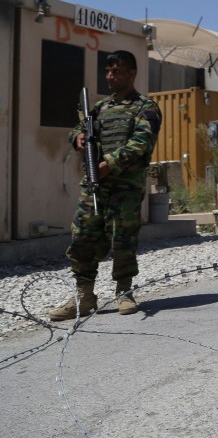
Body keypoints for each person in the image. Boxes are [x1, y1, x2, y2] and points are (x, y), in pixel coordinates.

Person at [48, 50, 162, 321]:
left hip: (124, 187)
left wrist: (108, 163)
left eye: (117, 71)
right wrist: (77, 138)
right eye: (108, 71)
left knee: (123, 239)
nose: (110, 76)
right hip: (94, 186)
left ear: (132, 73)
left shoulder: (145, 107)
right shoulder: (99, 108)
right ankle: (84, 296)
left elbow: (141, 144)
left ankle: (124, 291)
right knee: (83, 238)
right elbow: (77, 129)